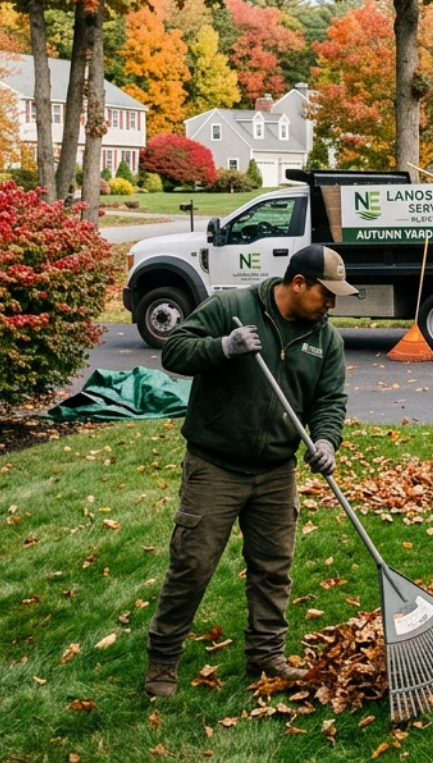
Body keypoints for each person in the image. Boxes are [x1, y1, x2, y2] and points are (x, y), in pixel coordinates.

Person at [143, 245, 357, 698]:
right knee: (193, 564)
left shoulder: (326, 338)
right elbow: (175, 352)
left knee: (273, 569)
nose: (332, 304)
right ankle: (163, 660)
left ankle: (266, 655)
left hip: (276, 469)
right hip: (215, 463)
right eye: (327, 293)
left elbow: (329, 402)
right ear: (298, 283)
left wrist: (324, 441)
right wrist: (224, 347)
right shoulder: (232, 309)